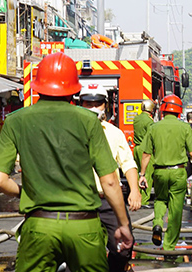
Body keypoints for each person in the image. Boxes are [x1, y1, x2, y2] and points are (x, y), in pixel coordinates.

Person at [0, 53, 132, 272]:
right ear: (74, 90)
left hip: (39, 226)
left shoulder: (15, 121)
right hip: (84, 227)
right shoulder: (88, 122)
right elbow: (110, 182)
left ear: (38, 87)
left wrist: (24, 192)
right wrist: (123, 224)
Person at [79, 83, 141, 272]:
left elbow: (128, 163)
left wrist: (135, 190)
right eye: (88, 104)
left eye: (98, 103)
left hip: (108, 200)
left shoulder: (114, 133)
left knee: (123, 248)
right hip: (79, 200)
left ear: (105, 105)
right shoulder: (71, 132)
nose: (93, 108)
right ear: (80, 104)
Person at [139, 94, 192, 252]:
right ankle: (168, 247)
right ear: (179, 111)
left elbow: (146, 154)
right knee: (175, 210)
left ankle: (158, 224)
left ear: (163, 109)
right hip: (178, 172)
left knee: (160, 200)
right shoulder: (185, 127)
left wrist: (142, 174)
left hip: (159, 172)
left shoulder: (154, 127)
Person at [133, 99, 156, 207]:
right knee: (147, 174)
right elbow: (151, 137)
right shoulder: (149, 121)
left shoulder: (136, 119)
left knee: (138, 174)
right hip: (145, 150)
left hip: (136, 149)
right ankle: (144, 200)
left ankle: (137, 197)